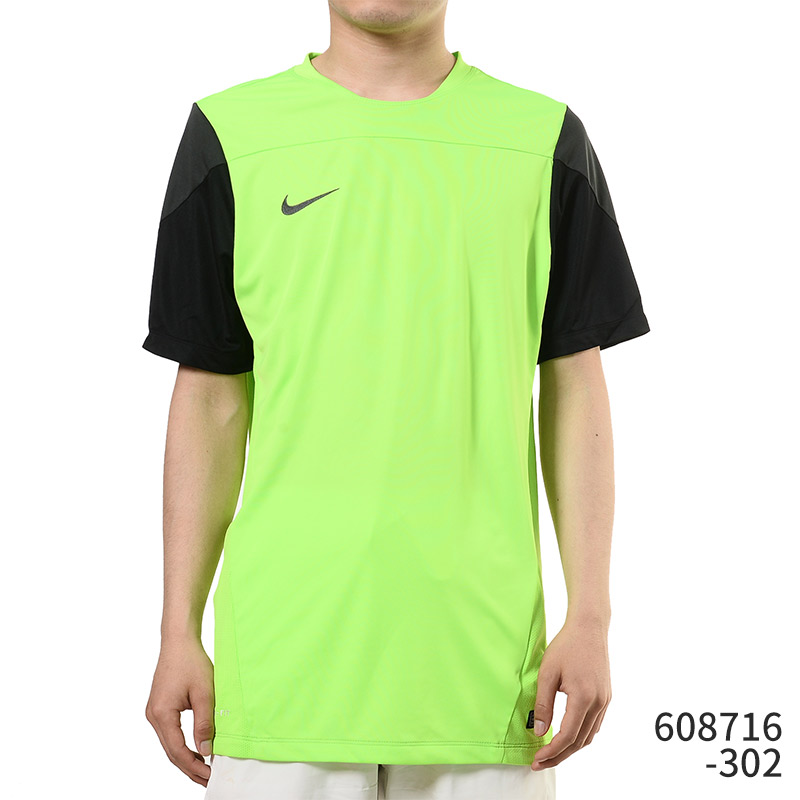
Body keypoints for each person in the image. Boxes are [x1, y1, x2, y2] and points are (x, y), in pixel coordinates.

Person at [142, 1, 650, 798]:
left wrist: (591, 616)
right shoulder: (231, 134)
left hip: (486, 676)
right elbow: (209, 396)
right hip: (284, 665)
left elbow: (574, 384)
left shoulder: (544, 139)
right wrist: (177, 629)